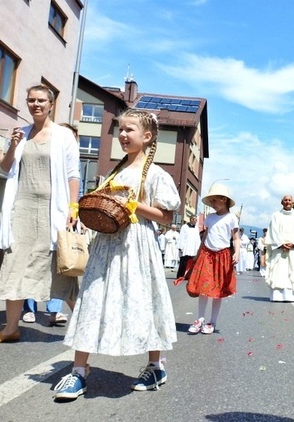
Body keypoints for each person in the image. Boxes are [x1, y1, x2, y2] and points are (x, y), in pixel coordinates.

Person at [53, 109, 180, 401]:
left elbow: (167, 216)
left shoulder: (156, 174)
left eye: (129, 130)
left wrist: (133, 205)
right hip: (107, 244)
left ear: (146, 136)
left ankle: (155, 365)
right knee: (92, 299)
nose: (122, 135)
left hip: (137, 245)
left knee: (144, 300)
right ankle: (79, 370)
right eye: (120, 129)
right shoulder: (115, 171)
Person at [0, 85, 79, 344]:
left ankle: (84, 324)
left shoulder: (63, 136)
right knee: (14, 263)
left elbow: (72, 175)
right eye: (31, 100)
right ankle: (11, 328)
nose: (36, 104)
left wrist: (73, 207)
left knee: (60, 267)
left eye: (41, 100)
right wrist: (12, 146)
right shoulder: (20, 133)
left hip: (51, 209)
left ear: (51, 104)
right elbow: (4, 167)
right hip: (20, 208)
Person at [21, 123, 80, 326]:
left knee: (59, 262)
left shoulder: (70, 160)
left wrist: (75, 209)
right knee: (30, 260)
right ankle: (28, 307)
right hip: (33, 208)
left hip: (60, 214)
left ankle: (55, 310)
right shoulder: (43, 147)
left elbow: (74, 180)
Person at [176, 183, 239, 335]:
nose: (212, 204)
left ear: (223, 199)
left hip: (222, 255)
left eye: (214, 200)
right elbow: (205, 236)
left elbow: (236, 238)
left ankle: (212, 321)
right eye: (210, 201)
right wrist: (198, 254)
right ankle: (200, 319)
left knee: (218, 290)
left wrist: (236, 253)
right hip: (207, 254)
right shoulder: (209, 218)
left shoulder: (231, 218)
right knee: (203, 288)